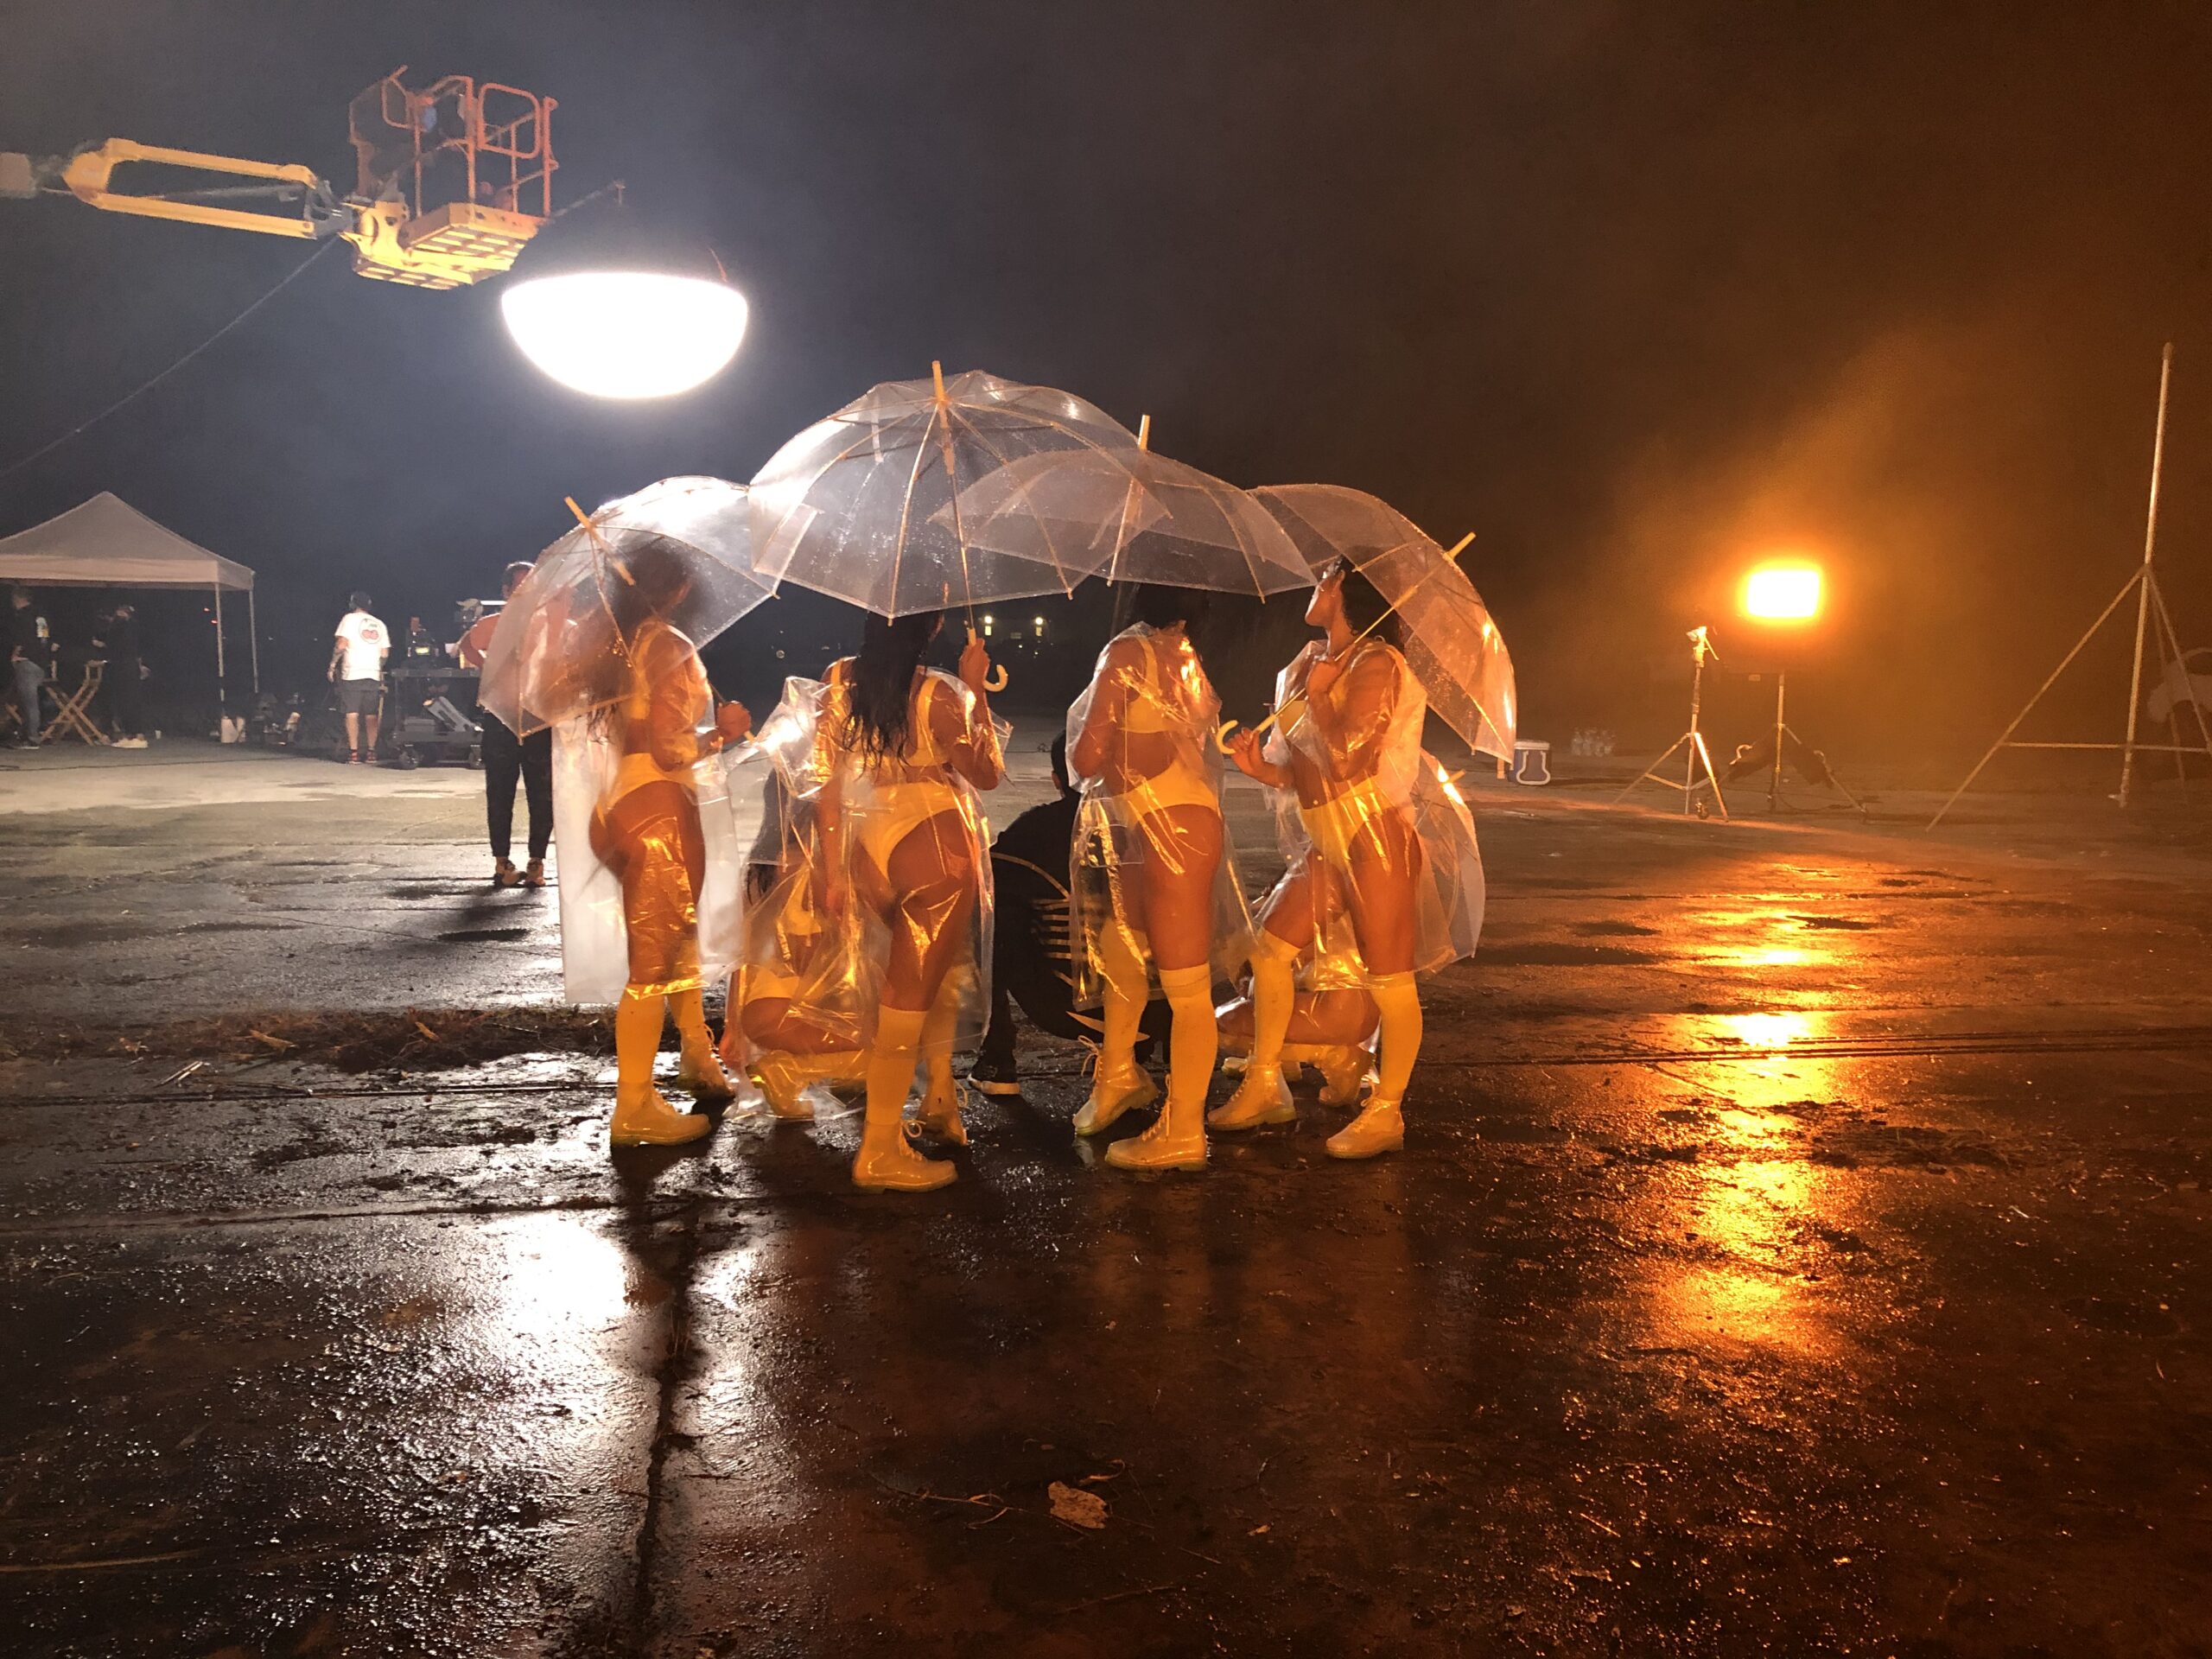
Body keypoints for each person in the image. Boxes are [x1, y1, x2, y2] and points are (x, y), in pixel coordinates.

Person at [1218, 559, 1478, 1159]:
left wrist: (1321, 700)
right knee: (1269, 949)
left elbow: (1349, 762)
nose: (1315, 589)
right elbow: (1306, 769)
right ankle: (1265, 1083)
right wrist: (1263, 769)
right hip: (1326, 837)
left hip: (1372, 837)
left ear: (1343, 592)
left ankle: (1387, 1110)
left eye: (1324, 579)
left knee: (1391, 981)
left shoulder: (1378, 664)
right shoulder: (1311, 662)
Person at [814, 612, 1004, 1192]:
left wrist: (832, 870)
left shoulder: (839, 679)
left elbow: (824, 781)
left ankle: (936, 1099)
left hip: (867, 843)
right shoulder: (940, 694)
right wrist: (975, 690)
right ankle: (878, 1148)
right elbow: (987, 771)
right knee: (908, 998)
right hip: (932, 842)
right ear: (933, 624)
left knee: (912, 986)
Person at [1063, 585, 1247, 1170]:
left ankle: (1184, 1129)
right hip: (1160, 822)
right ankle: (1119, 1075)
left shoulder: (1126, 653)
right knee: (1124, 949)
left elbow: (1086, 760)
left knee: (1188, 989)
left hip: (1169, 828)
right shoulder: (1183, 655)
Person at [584, 543, 753, 1147]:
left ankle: (697, 1058)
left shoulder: (614, 645)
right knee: (652, 965)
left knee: (674, 938)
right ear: (677, 590)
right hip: (657, 804)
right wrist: (721, 734)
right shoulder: (669, 645)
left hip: (614, 807)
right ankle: (633, 1107)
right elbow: (669, 748)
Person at [969, 734, 1171, 1098]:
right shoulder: (1157, 828)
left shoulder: (1034, 831)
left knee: (991, 909)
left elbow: (984, 887)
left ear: (1057, 780)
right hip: (1156, 1014)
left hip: (1065, 1006)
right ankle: (1167, 1062)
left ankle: (997, 1060)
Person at [456, 563, 552, 887]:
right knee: (500, 792)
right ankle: (502, 862)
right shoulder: (492, 624)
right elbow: (466, 645)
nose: (527, 592)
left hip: (539, 718)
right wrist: (488, 666)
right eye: (520, 586)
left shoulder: (550, 623)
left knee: (542, 793)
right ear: (507, 591)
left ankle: (537, 861)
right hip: (500, 719)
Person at [328, 591, 390, 764]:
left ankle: (354, 753)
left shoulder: (348, 619)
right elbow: (384, 653)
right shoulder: (380, 624)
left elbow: (341, 645)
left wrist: (333, 664)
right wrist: (377, 666)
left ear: (353, 604)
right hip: (372, 672)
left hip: (352, 672)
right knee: (371, 714)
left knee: (352, 713)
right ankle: (371, 752)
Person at [93, 603, 148, 748]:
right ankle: (136, 733)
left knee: (120, 700)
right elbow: (137, 649)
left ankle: (131, 734)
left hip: (119, 666)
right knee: (132, 699)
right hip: (131, 665)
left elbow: (115, 646)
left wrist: (101, 645)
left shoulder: (118, 627)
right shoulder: (135, 627)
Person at [9, 588, 48, 747]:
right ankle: (29, 734)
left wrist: (15, 654)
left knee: (28, 702)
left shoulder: (23, 616)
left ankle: (31, 738)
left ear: (19, 599)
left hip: (27, 662)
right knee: (31, 701)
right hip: (40, 663)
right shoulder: (41, 617)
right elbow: (44, 639)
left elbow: (22, 638)